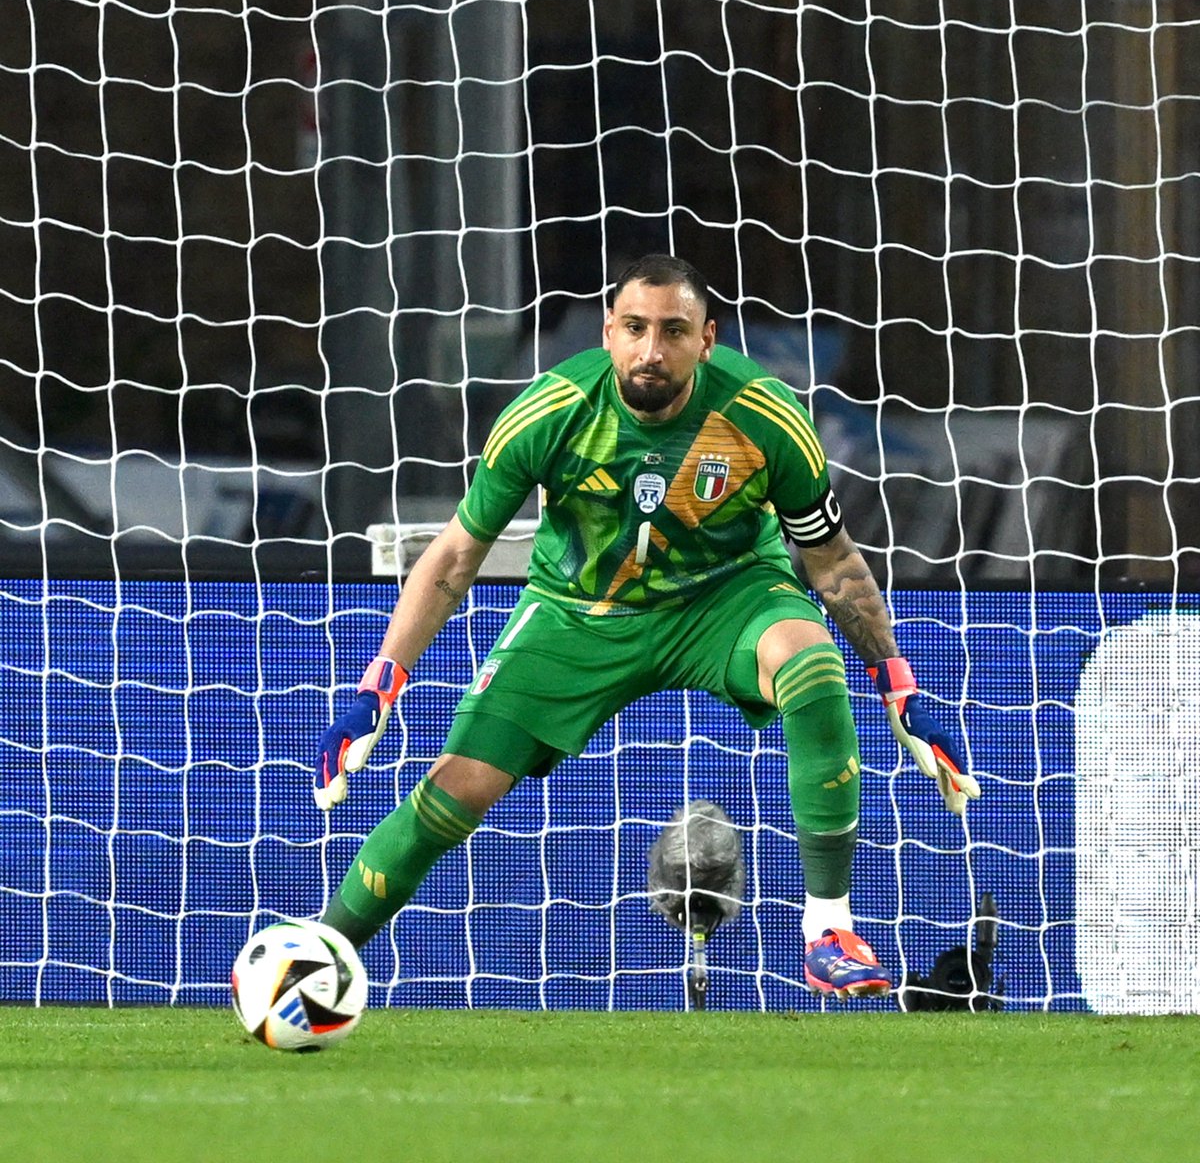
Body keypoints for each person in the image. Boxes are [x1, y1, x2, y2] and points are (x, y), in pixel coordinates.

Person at [313, 253, 979, 1000]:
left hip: (728, 597)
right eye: (634, 328)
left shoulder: (765, 415)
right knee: (457, 787)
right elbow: (454, 557)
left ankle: (828, 928)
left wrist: (899, 686)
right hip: (579, 612)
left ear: (707, 339)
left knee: (810, 663)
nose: (651, 350)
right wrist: (378, 686)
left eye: (673, 330)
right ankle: (319, 952)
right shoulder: (551, 412)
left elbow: (830, 563)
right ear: (607, 334)